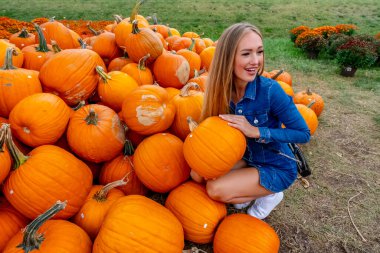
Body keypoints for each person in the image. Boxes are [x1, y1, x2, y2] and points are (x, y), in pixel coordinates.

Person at [190, 22, 311, 219]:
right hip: (248, 158)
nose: (255, 61)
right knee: (198, 174)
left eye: (259, 52)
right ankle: (248, 188)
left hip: (275, 165)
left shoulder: (271, 91)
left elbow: (303, 133)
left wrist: (257, 131)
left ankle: (272, 193)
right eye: (246, 54)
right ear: (228, 58)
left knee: (214, 189)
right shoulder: (221, 90)